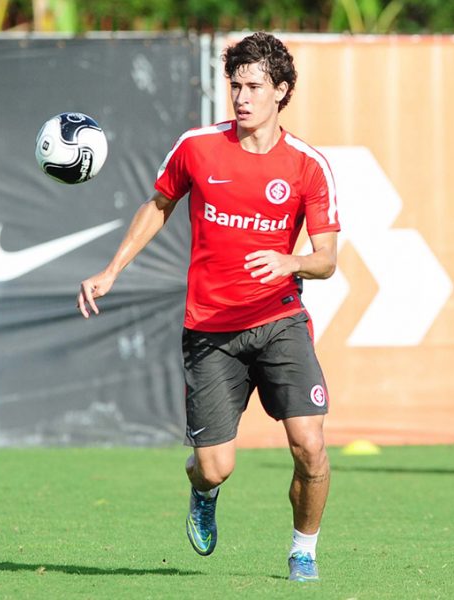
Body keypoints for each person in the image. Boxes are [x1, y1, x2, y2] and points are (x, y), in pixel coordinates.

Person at [77, 32, 340, 582]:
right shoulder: (197, 146)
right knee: (216, 468)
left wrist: (289, 263)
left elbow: (326, 259)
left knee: (310, 445)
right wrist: (110, 270)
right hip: (210, 331)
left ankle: (304, 551)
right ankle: (201, 491)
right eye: (235, 85)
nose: (241, 97)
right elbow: (158, 206)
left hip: (279, 320)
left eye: (254, 86)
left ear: (281, 91)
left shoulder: (308, 166)